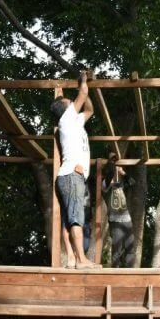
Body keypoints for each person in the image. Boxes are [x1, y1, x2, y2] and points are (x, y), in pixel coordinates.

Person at [51, 69, 99, 269]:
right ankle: (81, 260)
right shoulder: (66, 119)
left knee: (69, 219)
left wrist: (84, 91)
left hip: (69, 176)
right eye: (70, 103)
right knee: (76, 218)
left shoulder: (75, 122)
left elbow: (89, 110)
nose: (73, 103)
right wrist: (83, 80)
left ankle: (72, 258)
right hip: (72, 175)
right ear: (65, 109)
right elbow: (84, 94)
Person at [103, 154, 136, 268]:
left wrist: (123, 173)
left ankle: (129, 272)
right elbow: (108, 176)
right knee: (117, 249)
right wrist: (112, 164)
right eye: (114, 164)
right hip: (115, 220)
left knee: (130, 247)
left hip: (127, 219)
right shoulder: (106, 184)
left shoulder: (122, 184)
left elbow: (132, 182)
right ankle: (115, 272)